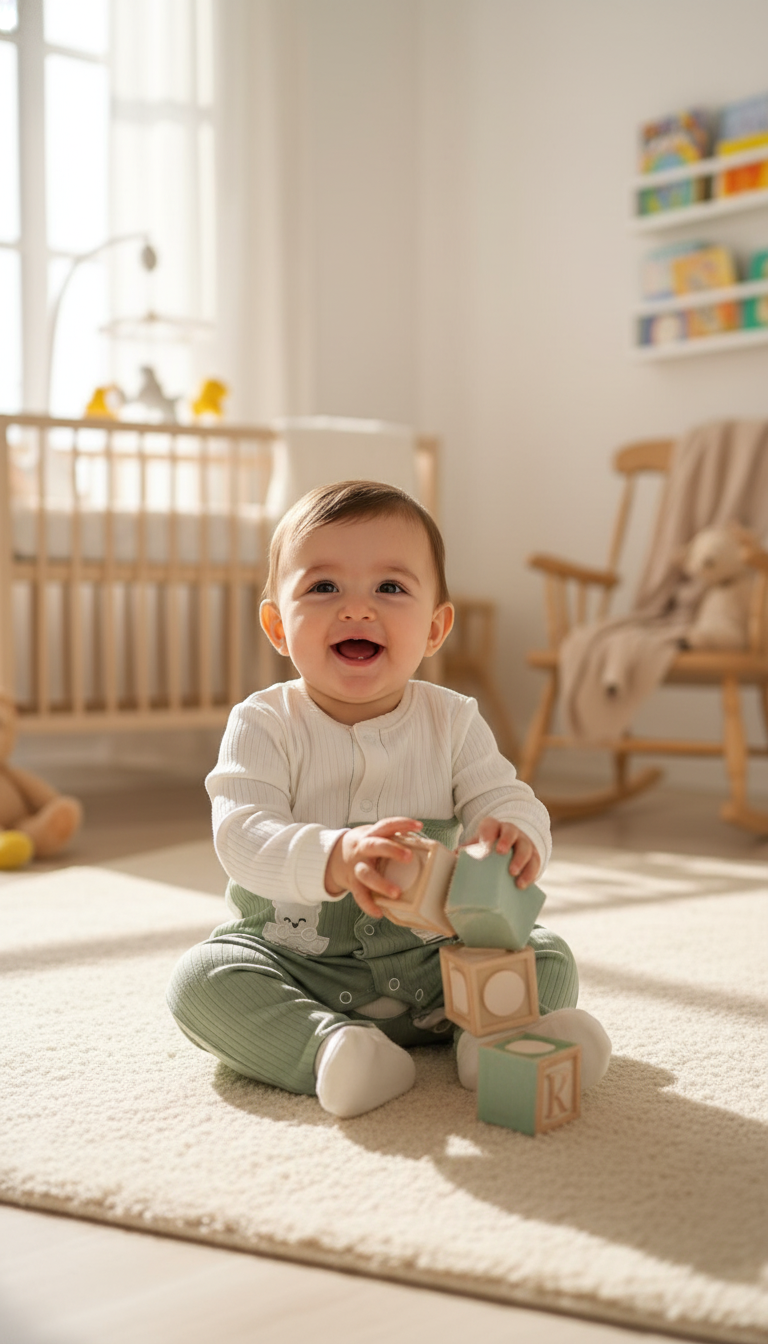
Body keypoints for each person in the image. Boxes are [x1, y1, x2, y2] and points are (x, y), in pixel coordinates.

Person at [167, 480, 611, 1118]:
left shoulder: (452, 720)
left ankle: (487, 1041)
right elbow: (241, 833)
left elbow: (505, 796)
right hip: (300, 964)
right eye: (324, 587)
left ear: (434, 628)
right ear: (278, 626)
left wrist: (513, 835)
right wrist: (335, 856)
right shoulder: (263, 723)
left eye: (390, 588)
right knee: (200, 981)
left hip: (438, 966)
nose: (357, 609)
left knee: (548, 956)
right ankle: (333, 1050)